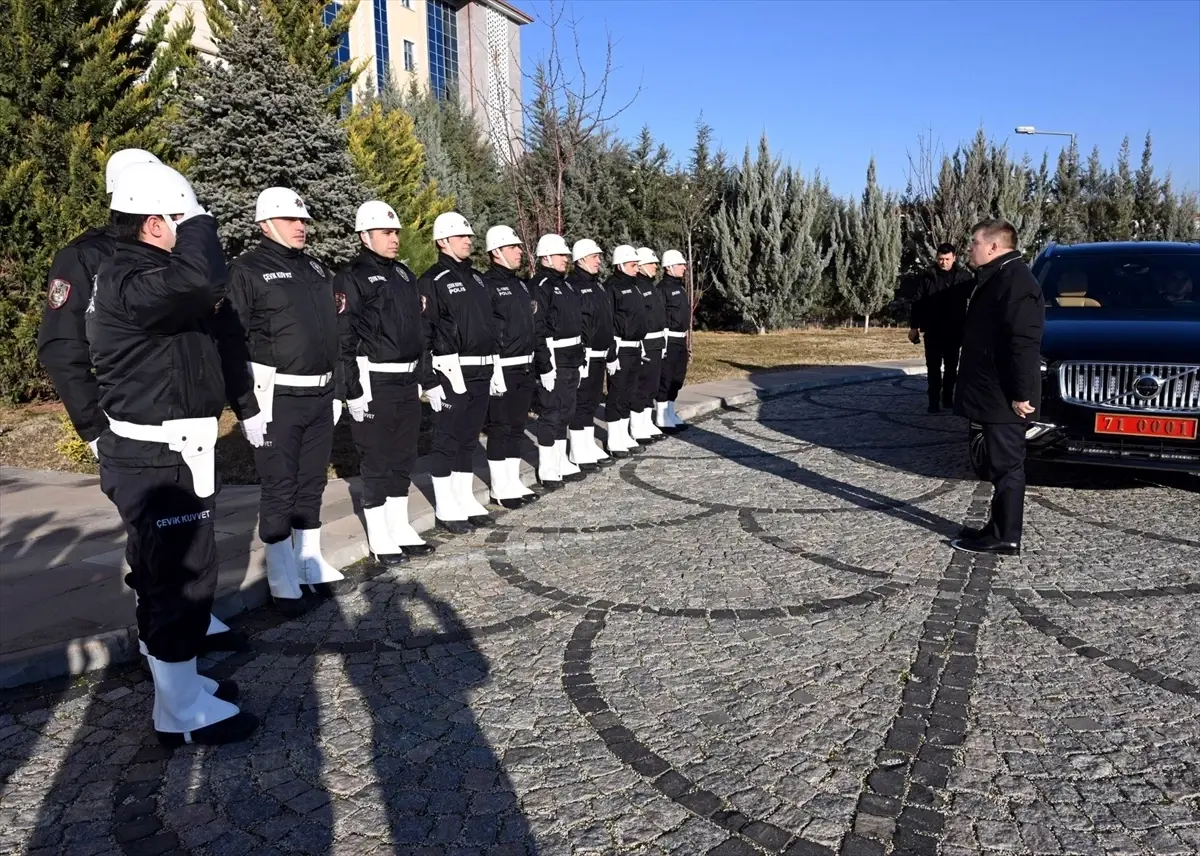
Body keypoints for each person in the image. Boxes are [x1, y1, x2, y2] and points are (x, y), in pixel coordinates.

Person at [37, 148, 245, 654]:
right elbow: (65, 350)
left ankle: (184, 628)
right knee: (158, 545)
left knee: (189, 539)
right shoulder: (87, 257)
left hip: (180, 421)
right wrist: (94, 429)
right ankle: (164, 643)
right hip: (134, 423)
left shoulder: (167, 254)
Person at [88, 162, 257, 745]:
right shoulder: (133, 278)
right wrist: (201, 217)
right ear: (154, 224)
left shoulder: (141, 274)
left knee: (172, 575)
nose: (189, 233)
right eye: (179, 222)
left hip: (174, 451)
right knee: (177, 579)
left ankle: (179, 688)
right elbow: (200, 280)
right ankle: (178, 714)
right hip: (156, 456)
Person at [227, 187, 345, 615]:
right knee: (280, 487)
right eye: (292, 220)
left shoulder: (316, 267)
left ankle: (308, 561)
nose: (302, 227)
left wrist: (340, 388)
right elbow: (233, 341)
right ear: (265, 224)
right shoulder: (246, 270)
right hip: (277, 397)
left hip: (320, 391)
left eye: (304, 221)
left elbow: (335, 333)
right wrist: (246, 406)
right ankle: (281, 578)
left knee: (312, 482)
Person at [336, 201, 436, 566]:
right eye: (386, 233)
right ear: (365, 236)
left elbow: (419, 332)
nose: (394, 239)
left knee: (403, 457)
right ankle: (379, 533)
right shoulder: (353, 276)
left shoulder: (405, 275)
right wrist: (352, 388)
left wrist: (428, 378)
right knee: (377, 459)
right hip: (375, 379)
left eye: (396, 233)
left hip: (407, 378)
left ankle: (399, 525)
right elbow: (344, 336)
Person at [953, 219, 1045, 557]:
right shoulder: (999, 276)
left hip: (1005, 395)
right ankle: (995, 527)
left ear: (994, 246)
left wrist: (1021, 394)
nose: (969, 248)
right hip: (990, 392)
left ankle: (1007, 536)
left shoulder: (1017, 281)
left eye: (974, 242)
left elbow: (1022, 343)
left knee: (1007, 465)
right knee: (995, 463)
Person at [418, 212, 498, 534]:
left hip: (481, 369)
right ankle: (445, 502)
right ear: (442, 242)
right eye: (461, 237)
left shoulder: (477, 279)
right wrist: (428, 378)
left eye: (469, 237)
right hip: (451, 370)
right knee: (447, 439)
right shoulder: (432, 280)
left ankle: (464, 497)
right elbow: (424, 331)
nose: (468, 241)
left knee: (469, 439)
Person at [481, 225, 549, 508]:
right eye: (513, 247)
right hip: (503, 367)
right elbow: (488, 329)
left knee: (517, 426)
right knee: (500, 426)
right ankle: (499, 486)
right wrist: (494, 365)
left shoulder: (521, 285)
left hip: (524, 366)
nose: (520, 251)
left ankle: (511, 480)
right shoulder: (488, 285)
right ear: (497, 251)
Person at [531, 233, 587, 488]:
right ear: (546, 258)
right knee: (550, 412)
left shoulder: (565, 285)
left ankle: (561, 459)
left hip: (571, 356)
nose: (566, 259)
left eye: (566, 255)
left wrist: (581, 355)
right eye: (561, 255)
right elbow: (538, 327)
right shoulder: (540, 285)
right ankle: (547, 466)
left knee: (566, 411)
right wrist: (545, 364)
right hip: (555, 357)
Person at [566, 238, 615, 469]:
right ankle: (577, 449)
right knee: (581, 401)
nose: (599, 260)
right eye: (595, 256)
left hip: (600, 353)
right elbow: (577, 321)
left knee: (592, 400)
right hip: (585, 353)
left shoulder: (599, 285)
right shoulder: (574, 285)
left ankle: (587, 444)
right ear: (582, 259)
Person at [909, 242, 974, 413]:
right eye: (940, 259)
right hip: (933, 330)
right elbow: (917, 302)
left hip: (955, 329)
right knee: (933, 366)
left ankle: (947, 397)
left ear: (954, 258)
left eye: (946, 259)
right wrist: (914, 327)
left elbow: (975, 300)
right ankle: (933, 400)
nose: (943, 262)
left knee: (952, 366)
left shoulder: (964, 278)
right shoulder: (928, 277)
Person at [603, 245, 649, 457]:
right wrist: (611, 353)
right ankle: (614, 438)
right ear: (620, 265)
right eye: (633, 265)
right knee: (617, 393)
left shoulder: (636, 286)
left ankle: (624, 434)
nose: (636, 269)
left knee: (628, 392)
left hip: (634, 346)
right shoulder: (612, 287)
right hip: (620, 347)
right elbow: (609, 320)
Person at [630, 247, 666, 443]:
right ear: (641, 265)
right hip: (646, 342)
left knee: (652, 385)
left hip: (657, 341)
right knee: (642, 386)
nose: (655, 266)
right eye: (652, 263)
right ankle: (637, 426)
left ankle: (645, 422)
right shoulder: (637, 287)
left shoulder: (652, 287)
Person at [655, 249, 691, 432]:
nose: (684, 267)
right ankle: (661, 416)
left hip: (680, 339)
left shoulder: (679, 288)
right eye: (680, 264)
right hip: (669, 339)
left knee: (677, 378)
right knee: (666, 377)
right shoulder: (662, 289)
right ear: (669, 267)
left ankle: (670, 412)